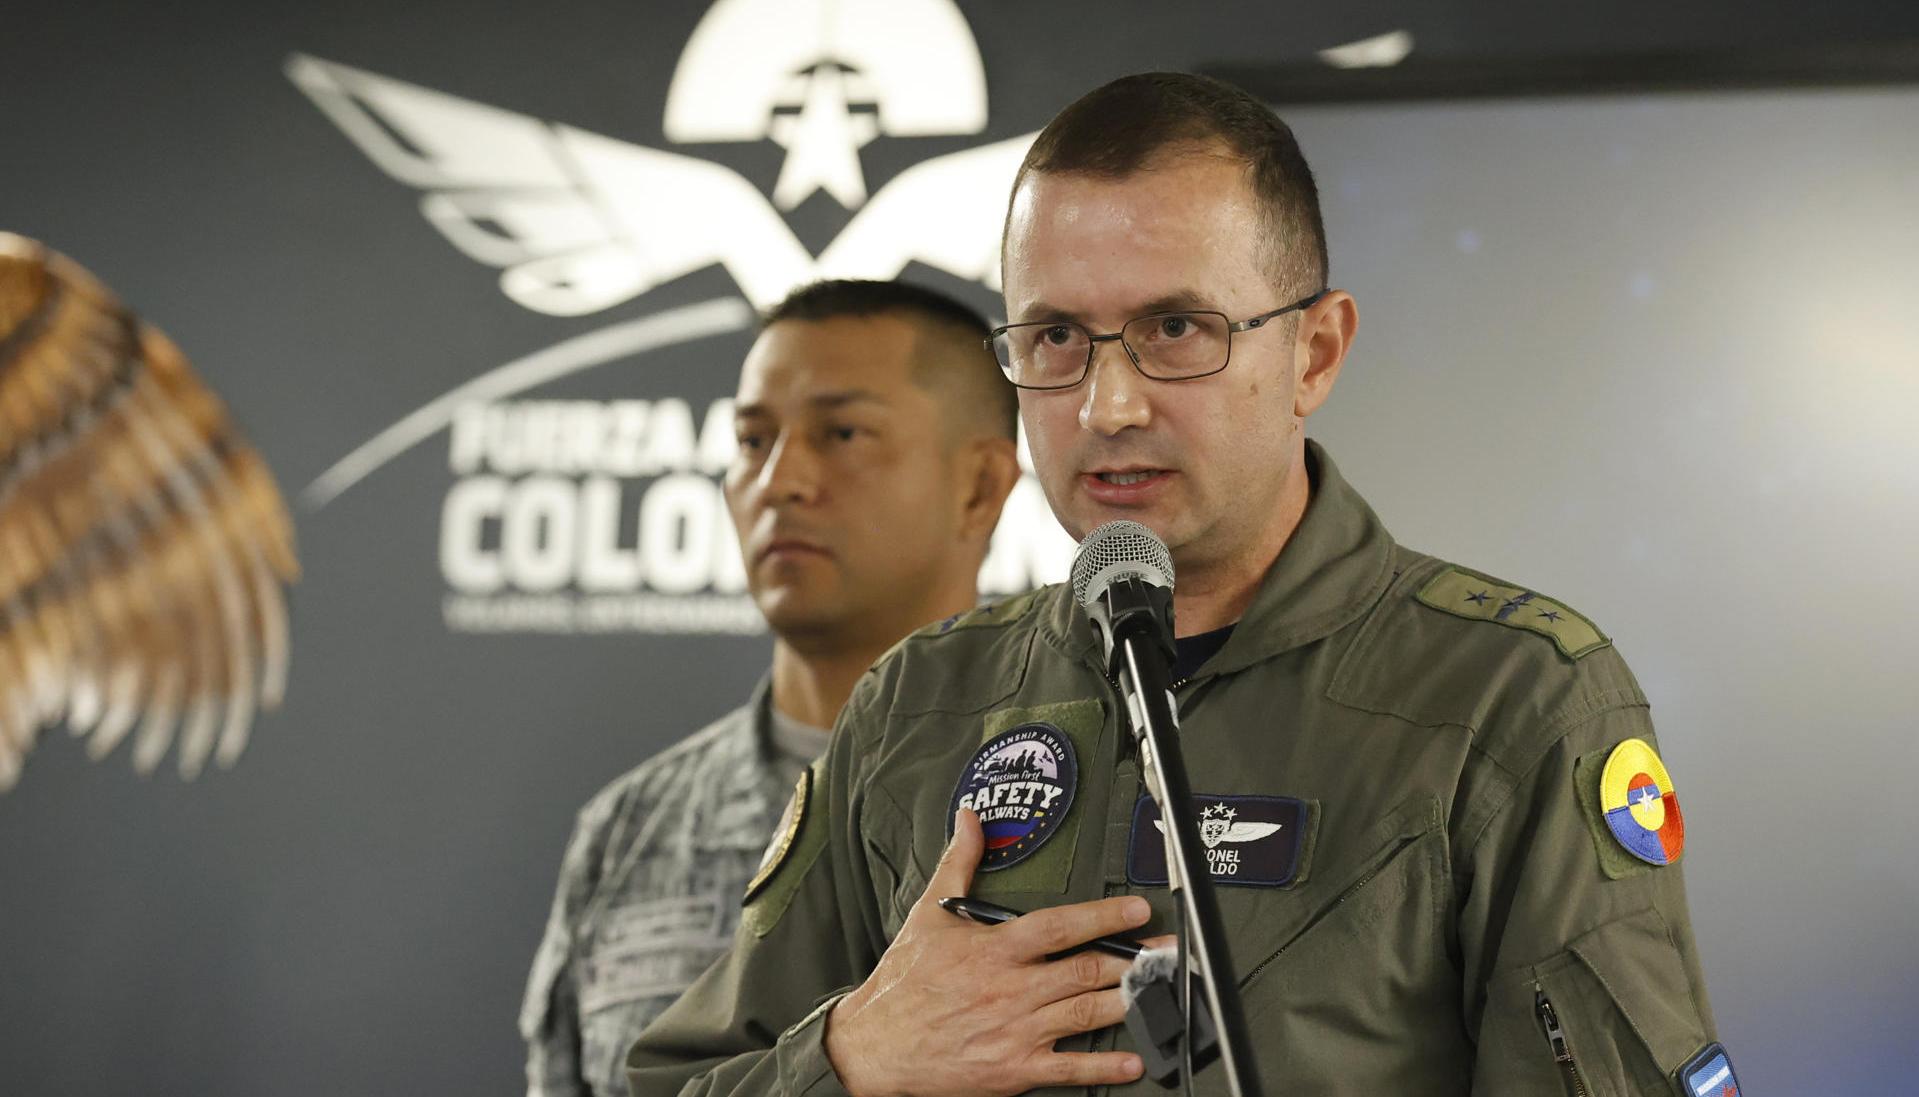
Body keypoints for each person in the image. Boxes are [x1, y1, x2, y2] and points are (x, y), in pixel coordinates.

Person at [629, 73, 1728, 1097]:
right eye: (1055, 336)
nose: (1107, 404)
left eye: (1174, 329)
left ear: (1312, 351)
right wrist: (852, 1054)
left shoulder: (1505, 697)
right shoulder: (919, 702)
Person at [519, 279, 1022, 1097]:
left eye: (843, 432)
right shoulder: (631, 828)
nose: (781, 479)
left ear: (978, 486)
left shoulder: (1090, 782)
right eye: (753, 441)